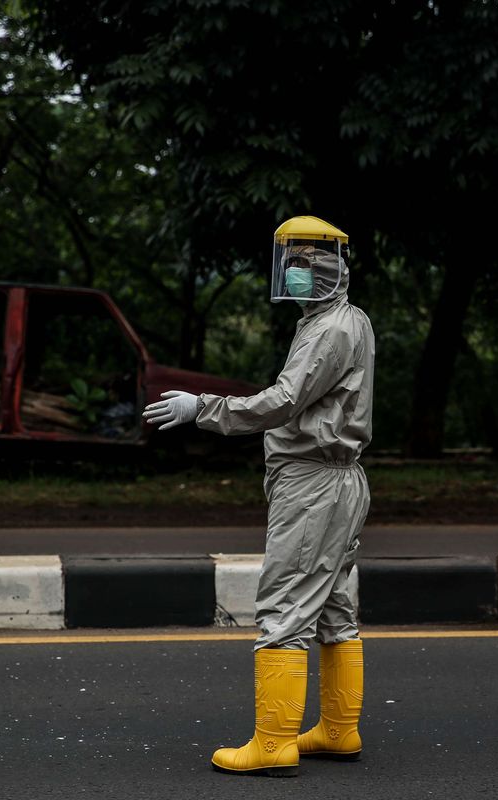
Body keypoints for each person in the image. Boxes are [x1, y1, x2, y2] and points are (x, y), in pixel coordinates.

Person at [142, 215, 374, 777]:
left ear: (327, 270)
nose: (292, 273)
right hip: (339, 479)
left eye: (302, 265)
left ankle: (273, 743)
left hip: (314, 482)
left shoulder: (328, 330)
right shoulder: (344, 319)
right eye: (289, 263)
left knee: (285, 604)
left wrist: (204, 409)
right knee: (334, 606)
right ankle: (340, 730)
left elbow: (283, 401)